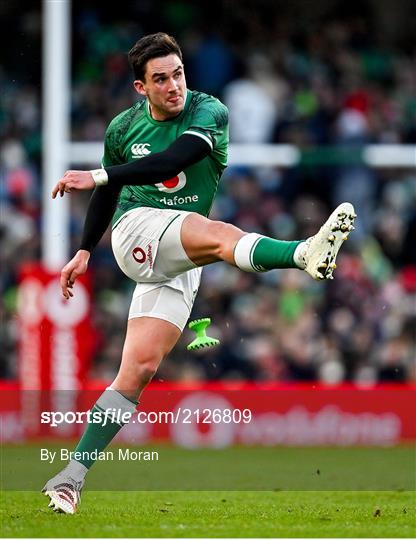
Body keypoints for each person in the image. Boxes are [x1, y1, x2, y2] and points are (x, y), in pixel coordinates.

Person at [43, 32, 356, 514]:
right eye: (161, 79)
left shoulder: (209, 111)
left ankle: (70, 476)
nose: (174, 86)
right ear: (140, 87)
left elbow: (174, 160)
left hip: (180, 251)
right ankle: (302, 254)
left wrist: (100, 177)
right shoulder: (122, 128)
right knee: (217, 232)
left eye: (178, 74)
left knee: (139, 368)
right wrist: (85, 249)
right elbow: (109, 195)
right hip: (136, 232)